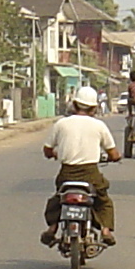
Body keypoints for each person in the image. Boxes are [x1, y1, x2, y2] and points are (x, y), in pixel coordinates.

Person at [41, 86, 120, 244]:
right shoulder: (99, 126)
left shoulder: (61, 124)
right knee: (103, 200)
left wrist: (55, 154)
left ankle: (52, 229)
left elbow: (47, 150)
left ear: (75, 105)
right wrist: (115, 158)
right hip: (91, 175)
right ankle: (105, 230)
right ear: (94, 107)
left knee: (58, 200)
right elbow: (113, 153)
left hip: (66, 174)